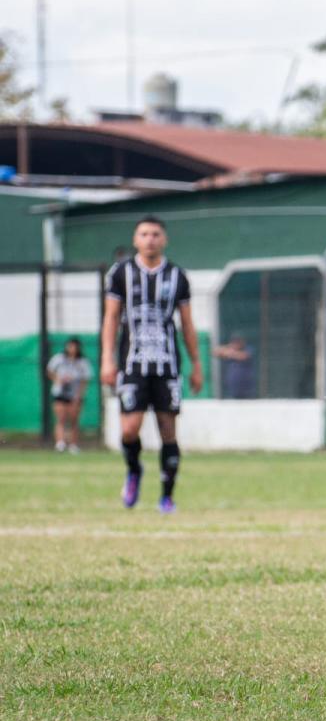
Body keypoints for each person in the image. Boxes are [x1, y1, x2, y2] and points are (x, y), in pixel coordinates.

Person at [100, 216, 204, 514]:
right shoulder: (120, 273)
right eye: (144, 234)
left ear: (164, 240)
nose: (150, 239)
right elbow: (111, 317)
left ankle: (166, 497)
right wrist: (107, 358)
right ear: (136, 240)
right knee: (129, 429)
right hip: (132, 364)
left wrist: (196, 364)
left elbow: (187, 324)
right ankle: (134, 469)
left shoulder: (177, 276)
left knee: (168, 429)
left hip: (166, 365)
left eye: (156, 234)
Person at [47, 336, 92, 453]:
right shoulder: (59, 358)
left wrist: (79, 394)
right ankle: (60, 443)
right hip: (60, 392)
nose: (72, 349)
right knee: (60, 419)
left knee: (74, 420)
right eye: (70, 346)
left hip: (74, 394)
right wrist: (58, 380)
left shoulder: (82, 362)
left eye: (75, 346)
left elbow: (85, 379)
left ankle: (73, 444)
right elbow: (49, 371)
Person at [214, 334, 256, 399]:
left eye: (238, 342)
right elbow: (215, 352)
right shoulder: (230, 349)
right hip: (233, 386)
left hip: (247, 386)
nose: (237, 344)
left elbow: (243, 356)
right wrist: (228, 346)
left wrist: (230, 353)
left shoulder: (248, 349)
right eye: (235, 342)